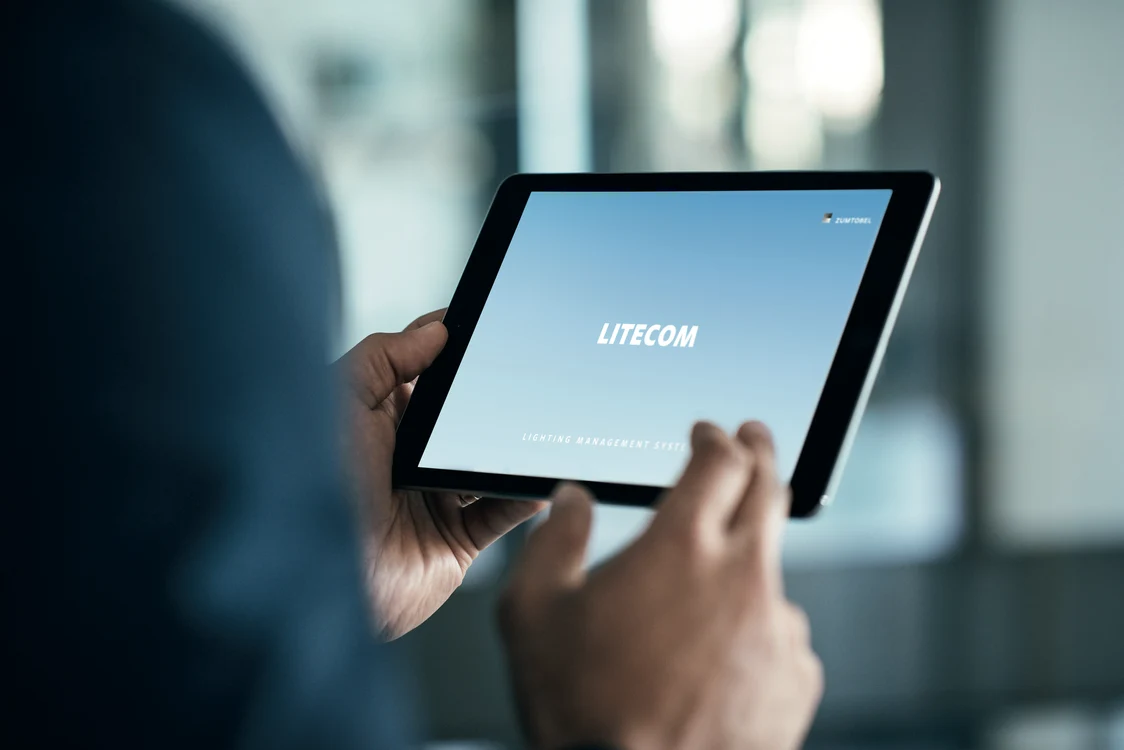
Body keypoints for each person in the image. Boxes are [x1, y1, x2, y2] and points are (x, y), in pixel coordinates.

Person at [6, 0, 822, 748]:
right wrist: (634, 736)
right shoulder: (113, 114)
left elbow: (97, 659)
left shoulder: (111, 100)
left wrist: (329, 579)